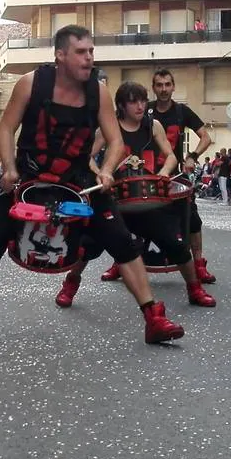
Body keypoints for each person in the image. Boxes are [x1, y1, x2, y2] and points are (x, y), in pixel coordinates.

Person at [0, 25, 184, 345]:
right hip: (29, 179)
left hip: (79, 183)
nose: (89, 58)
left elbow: (115, 142)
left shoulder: (99, 93)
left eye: (91, 51)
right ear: (60, 55)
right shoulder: (30, 84)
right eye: (81, 52)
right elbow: (6, 129)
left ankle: (153, 318)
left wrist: (105, 170)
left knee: (121, 241)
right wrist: (8, 168)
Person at [54, 81, 216, 309]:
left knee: (175, 243)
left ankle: (195, 289)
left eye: (142, 100)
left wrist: (162, 174)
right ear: (121, 105)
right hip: (115, 198)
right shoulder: (109, 128)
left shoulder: (154, 126)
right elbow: (86, 156)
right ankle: (70, 284)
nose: (140, 106)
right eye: (133, 102)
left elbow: (170, 156)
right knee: (89, 245)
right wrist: (101, 173)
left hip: (147, 198)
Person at [139, 68, 216, 282]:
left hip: (176, 176)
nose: (163, 89)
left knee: (193, 220)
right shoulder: (145, 111)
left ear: (173, 87)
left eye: (167, 84)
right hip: (147, 175)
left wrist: (192, 156)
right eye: (159, 85)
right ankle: (121, 263)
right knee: (133, 217)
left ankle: (199, 265)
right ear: (153, 88)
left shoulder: (182, 112)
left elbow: (205, 137)